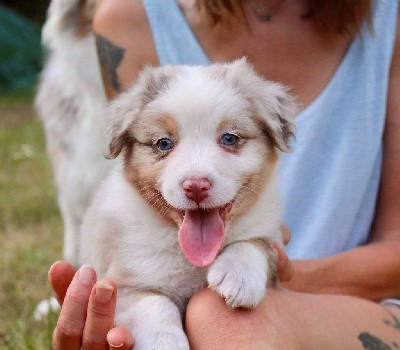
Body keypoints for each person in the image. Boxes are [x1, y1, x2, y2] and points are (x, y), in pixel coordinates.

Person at [50, 0, 400, 349]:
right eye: (163, 144)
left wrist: (263, 260)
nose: (196, 178)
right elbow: (126, 293)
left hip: (366, 306)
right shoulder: (129, 16)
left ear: (272, 136)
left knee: (221, 316)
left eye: (230, 140)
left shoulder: (388, 17)